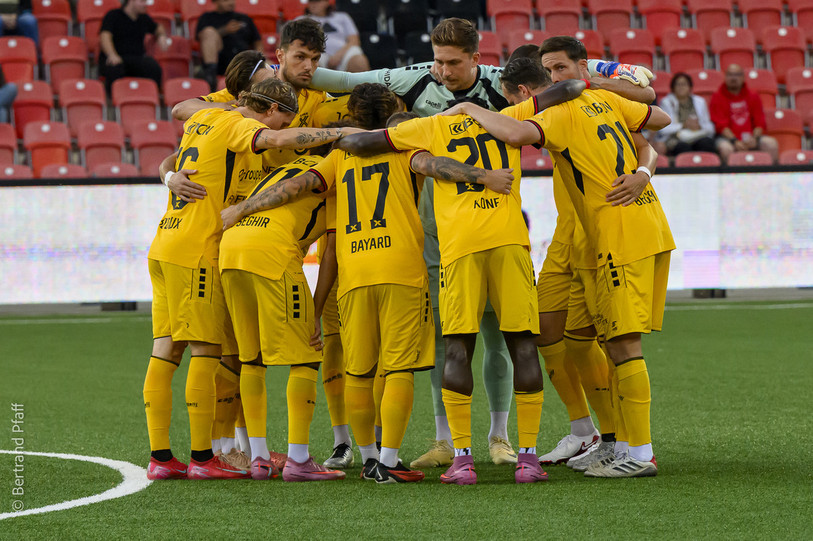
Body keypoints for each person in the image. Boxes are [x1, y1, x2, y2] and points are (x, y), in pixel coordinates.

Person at [306, 18, 657, 469]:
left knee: (502, 339)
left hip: (487, 234)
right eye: (438, 60)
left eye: (453, 62)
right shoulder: (422, 80)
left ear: (477, 59)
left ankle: (500, 438)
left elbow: (567, 86)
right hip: (442, 237)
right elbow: (347, 80)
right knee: (468, 340)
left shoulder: (500, 88)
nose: (443, 71)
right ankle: (452, 442)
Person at [220, 84, 517, 484]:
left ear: (354, 116)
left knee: (358, 372)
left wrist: (242, 207)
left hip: (353, 270)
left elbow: (296, 187)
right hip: (401, 269)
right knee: (399, 369)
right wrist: (484, 177)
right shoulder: (403, 144)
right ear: (391, 112)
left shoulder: (339, 155)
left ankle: (367, 457)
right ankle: (390, 462)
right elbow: (434, 167)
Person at [336, 75, 592, 485]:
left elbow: (362, 144)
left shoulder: (430, 126)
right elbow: (568, 89)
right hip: (510, 242)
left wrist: (349, 131)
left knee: (456, 347)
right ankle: (526, 458)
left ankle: (462, 459)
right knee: (522, 344)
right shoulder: (508, 117)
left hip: (459, 250)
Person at [441, 72, 674, 478]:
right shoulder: (579, 102)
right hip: (572, 234)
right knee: (552, 331)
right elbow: (653, 108)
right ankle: (589, 434)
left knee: (619, 341)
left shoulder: (567, 108)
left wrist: (644, 174)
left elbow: (646, 136)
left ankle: (633, 448)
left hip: (607, 231)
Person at [143, 77, 354, 480]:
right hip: (199, 249)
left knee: (166, 351)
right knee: (207, 352)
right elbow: (272, 141)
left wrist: (167, 178)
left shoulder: (204, 120)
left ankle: (162, 457)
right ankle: (205, 459)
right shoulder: (242, 126)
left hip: (165, 240)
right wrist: (343, 132)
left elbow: (173, 158)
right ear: (271, 111)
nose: (279, 132)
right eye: (282, 122)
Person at [217, 149, 346, 482]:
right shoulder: (336, 173)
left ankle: (258, 458)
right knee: (306, 354)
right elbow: (330, 253)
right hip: (272, 251)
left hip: (230, 249)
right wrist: (314, 311)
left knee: (251, 358)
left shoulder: (288, 167)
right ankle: (299, 460)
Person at [711, 64, 779, 164]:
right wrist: (734, 141)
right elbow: (721, 126)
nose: (733, 78)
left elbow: (760, 123)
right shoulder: (717, 97)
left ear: (743, 77)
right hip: (728, 139)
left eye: (737, 75)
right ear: (725, 77)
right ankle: (731, 178)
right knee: (726, 149)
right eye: (730, 75)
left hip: (751, 137)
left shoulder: (753, 96)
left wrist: (754, 139)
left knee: (771, 144)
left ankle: (770, 177)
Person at [99, 0, 168, 94]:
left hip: (136, 59)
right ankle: (113, 102)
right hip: (118, 58)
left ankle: (153, 98)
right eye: (142, 1)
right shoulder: (113, 15)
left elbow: (158, 28)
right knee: (114, 70)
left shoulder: (143, 18)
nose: (145, 4)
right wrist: (112, 55)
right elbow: (105, 36)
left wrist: (161, 36)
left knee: (153, 67)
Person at [196, 0, 262, 91]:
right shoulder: (207, 17)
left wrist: (261, 59)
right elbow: (202, 38)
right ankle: (210, 80)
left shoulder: (244, 18)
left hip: (243, 61)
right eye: (225, 0)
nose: (230, 2)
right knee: (209, 32)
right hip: (220, 62)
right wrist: (225, 30)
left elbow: (257, 41)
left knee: (272, 64)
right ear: (216, 2)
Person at [653, 72, 717, 159]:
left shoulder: (700, 101)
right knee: (683, 147)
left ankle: (707, 170)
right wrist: (683, 126)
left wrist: (699, 126)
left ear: (690, 87)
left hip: (697, 135)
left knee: (707, 143)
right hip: (675, 138)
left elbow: (710, 126)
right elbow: (663, 129)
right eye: (678, 84)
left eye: (684, 84)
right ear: (673, 88)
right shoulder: (666, 102)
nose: (681, 87)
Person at [298, 0, 370, 72]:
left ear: (326, 2)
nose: (313, 4)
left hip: (344, 53)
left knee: (359, 61)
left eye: (317, 1)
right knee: (309, 64)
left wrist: (339, 55)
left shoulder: (343, 17)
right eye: (311, 2)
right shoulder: (300, 20)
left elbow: (354, 40)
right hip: (317, 53)